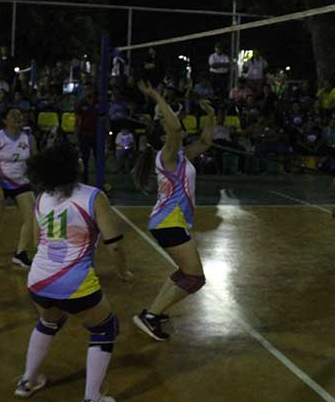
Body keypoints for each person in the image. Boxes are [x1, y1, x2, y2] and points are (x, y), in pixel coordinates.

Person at [14, 143, 131, 400]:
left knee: (48, 321)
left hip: (39, 280)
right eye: (77, 156)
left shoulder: (42, 197)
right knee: (105, 329)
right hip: (74, 282)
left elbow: (36, 242)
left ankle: (27, 380)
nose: (81, 158)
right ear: (72, 166)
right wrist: (122, 272)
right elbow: (115, 245)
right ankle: (93, 397)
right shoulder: (92, 196)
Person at [131, 81, 214, 341]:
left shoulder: (180, 155)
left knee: (185, 274)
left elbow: (206, 141)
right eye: (170, 130)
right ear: (165, 137)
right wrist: (156, 96)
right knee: (195, 278)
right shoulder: (166, 156)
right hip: (169, 222)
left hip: (172, 223)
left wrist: (210, 115)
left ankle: (152, 313)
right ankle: (151, 315)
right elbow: (176, 127)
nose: (176, 130)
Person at [0, 107, 37, 268]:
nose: (18, 117)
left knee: (31, 216)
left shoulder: (28, 137)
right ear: (5, 120)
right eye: (13, 115)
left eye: (19, 114)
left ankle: (21, 253)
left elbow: (34, 161)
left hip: (21, 182)